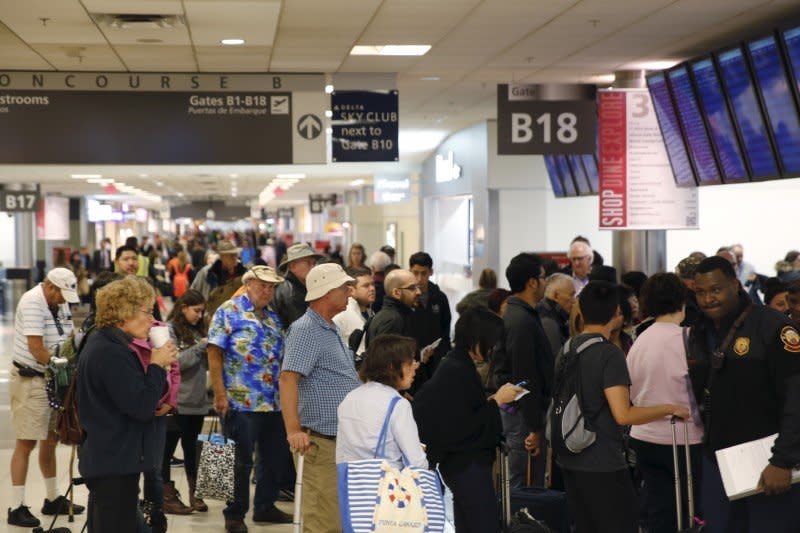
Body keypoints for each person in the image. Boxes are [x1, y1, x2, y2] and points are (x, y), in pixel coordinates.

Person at [554, 281, 689, 533]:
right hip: (602, 460)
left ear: (581, 312)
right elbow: (623, 414)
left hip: (569, 455)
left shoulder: (568, 348)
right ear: (617, 312)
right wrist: (669, 407)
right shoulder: (608, 354)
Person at [688, 256, 800, 532]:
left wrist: (782, 460)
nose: (708, 299)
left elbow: (796, 399)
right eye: (700, 292)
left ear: (735, 284)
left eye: (716, 289)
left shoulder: (773, 327)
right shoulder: (698, 332)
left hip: (769, 463)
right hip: (720, 462)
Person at [76, 276, 178, 533]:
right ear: (124, 314)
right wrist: (156, 365)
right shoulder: (111, 351)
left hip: (110, 457)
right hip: (114, 461)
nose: (152, 318)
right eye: (147, 311)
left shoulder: (105, 343)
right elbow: (142, 407)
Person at [413, 308, 523, 533]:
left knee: (468, 522)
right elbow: (461, 424)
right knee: (482, 524)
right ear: (476, 339)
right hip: (466, 464)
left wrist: (492, 400)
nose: (494, 348)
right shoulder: (456, 369)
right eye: (491, 341)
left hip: (460, 464)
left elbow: (461, 412)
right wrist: (496, 402)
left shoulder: (456, 364)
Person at [208, 266, 293, 531]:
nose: (267, 292)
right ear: (248, 285)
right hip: (239, 400)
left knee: (272, 457)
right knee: (240, 461)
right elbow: (214, 353)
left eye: (271, 287)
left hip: (272, 400)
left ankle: (265, 506)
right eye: (262, 286)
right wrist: (219, 393)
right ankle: (234, 514)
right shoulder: (228, 311)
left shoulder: (272, 317)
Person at [279, 263, 361, 533]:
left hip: (338, 442)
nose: (350, 292)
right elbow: (288, 378)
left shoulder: (330, 327)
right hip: (319, 443)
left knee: (336, 519)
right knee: (323, 522)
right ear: (326, 292)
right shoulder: (306, 330)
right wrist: (293, 430)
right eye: (343, 287)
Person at [626, 273, 704, 533]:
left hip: (643, 436)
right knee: (690, 510)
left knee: (658, 507)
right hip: (683, 437)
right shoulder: (688, 339)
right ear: (683, 302)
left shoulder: (639, 340)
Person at [7, 268, 83, 528]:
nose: (65, 300)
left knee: (51, 439)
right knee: (26, 442)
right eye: (63, 294)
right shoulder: (32, 302)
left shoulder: (57, 304)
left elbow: (67, 336)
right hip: (31, 380)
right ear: (51, 287)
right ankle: (15, 506)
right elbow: (35, 347)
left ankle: (52, 499)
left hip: (52, 379)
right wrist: (57, 362)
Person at [492, 252, 553, 488]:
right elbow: (524, 377)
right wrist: (534, 426)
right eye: (543, 277)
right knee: (523, 485)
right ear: (532, 282)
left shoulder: (523, 315)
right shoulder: (521, 321)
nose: (545, 282)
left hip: (523, 415)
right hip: (521, 417)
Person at [337, 334, 426, 470]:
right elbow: (417, 462)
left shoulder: (350, 398)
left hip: (353, 484)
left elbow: (342, 452)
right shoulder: (398, 404)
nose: (415, 366)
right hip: (388, 486)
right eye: (410, 362)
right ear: (392, 367)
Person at [163, 289, 210, 514]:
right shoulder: (169, 330)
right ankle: (166, 495)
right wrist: (201, 346)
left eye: (202, 311)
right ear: (183, 308)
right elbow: (175, 363)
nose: (199, 316)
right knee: (166, 451)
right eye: (196, 311)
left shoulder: (200, 329)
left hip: (198, 402)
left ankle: (195, 493)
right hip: (175, 403)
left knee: (193, 451)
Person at [407, 252, 452, 384]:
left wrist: (443, 354)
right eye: (415, 273)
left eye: (424, 273)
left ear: (431, 272)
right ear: (410, 271)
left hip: (436, 360)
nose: (419, 278)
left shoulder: (440, 297)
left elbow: (446, 329)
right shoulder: (406, 298)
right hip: (412, 360)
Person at [191, 240, 247, 320]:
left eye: (235, 255)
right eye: (231, 255)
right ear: (222, 257)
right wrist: (202, 313)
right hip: (211, 319)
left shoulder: (244, 274)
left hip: (237, 319)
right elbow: (193, 293)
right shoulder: (207, 273)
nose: (235, 258)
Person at [273, 243, 322, 327]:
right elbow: (302, 327)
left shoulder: (301, 285)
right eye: (308, 263)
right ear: (292, 266)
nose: (313, 267)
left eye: (314, 263)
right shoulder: (292, 293)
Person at [333, 266, 376, 358]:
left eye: (373, 284)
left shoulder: (370, 312)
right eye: (366, 286)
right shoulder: (342, 314)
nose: (372, 289)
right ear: (351, 290)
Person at [537, 272, 575, 357]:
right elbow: (557, 360)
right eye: (571, 295)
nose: (574, 300)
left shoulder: (553, 314)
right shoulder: (548, 321)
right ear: (556, 295)